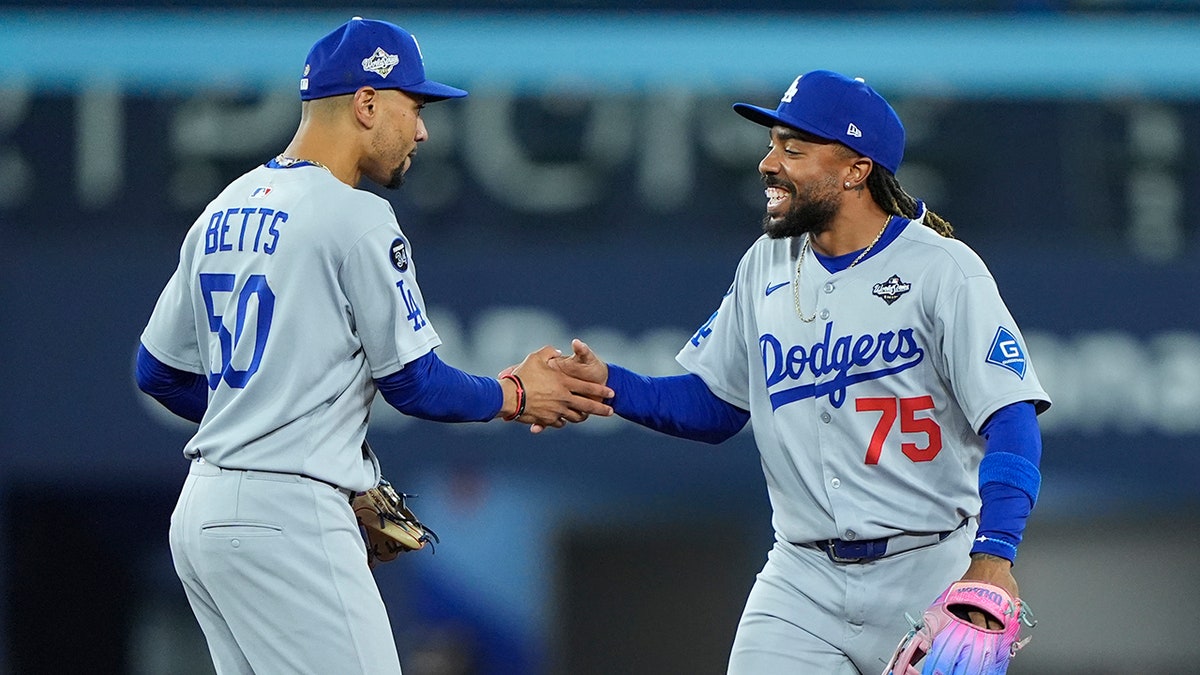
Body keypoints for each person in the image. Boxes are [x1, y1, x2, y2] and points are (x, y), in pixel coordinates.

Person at [134, 17, 613, 674]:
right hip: (287, 519)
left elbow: (157, 371)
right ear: (366, 103)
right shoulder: (355, 216)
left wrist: (273, 434)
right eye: (412, 106)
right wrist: (519, 392)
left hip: (203, 517)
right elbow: (416, 383)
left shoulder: (225, 206)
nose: (421, 130)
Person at [548, 70, 1050, 673]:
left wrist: (995, 554)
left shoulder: (943, 269)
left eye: (793, 148)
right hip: (802, 578)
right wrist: (608, 385)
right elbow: (717, 405)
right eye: (772, 145)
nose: (767, 163)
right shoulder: (766, 262)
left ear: (856, 169)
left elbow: (1012, 417)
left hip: (929, 569)